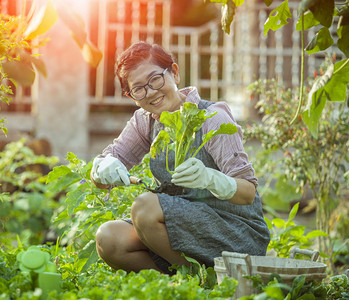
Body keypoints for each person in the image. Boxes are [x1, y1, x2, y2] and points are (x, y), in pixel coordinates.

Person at [90, 41, 270, 274]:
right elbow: (105, 168)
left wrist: (211, 179)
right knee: (109, 238)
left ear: (174, 72)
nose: (151, 92)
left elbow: (247, 193)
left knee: (145, 207)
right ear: (131, 96)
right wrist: (102, 168)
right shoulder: (146, 120)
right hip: (180, 230)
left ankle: (200, 279)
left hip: (233, 229)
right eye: (139, 88)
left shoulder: (212, 118)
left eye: (155, 79)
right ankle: (188, 275)